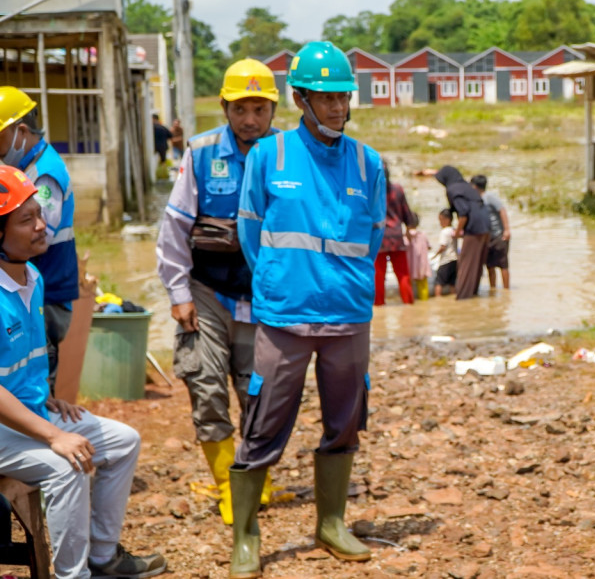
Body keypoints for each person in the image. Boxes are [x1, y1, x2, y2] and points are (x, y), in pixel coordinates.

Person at [234, 40, 386, 576]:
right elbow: (250, 234)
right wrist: (284, 282)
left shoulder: (369, 164)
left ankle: (330, 523)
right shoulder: (267, 157)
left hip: (347, 316)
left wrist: (337, 283)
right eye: (325, 98)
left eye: (344, 96)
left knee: (345, 422)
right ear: (300, 99)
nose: (338, 108)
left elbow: (370, 237)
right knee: (263, 423)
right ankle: (247, 536)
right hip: (283, 317)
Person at [0, 165, 166, 579]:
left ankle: (103, 556)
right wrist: (54, 435)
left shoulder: (33, 277)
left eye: (40, 213)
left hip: (28, 411)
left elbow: (24, 360)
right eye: (27, 220)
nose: (42, 226)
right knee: (67, 465)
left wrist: (43, 396)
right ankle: (73, 576)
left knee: (124, 441)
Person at [156, 58, 281, 525]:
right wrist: (177, 293)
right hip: (205, 291)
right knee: (206, 387)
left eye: (259, 109)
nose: (250, 120)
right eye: (241, 109)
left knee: (260, 392)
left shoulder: (288, 154)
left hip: (264, 296)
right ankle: (228, 486)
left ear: (273, 110)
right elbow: (174, 225)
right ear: (225, 108)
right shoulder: (202, 153)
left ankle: (258, 476)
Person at [0, 86, 79, 390]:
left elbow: (37, 236)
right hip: (28, 288)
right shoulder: (28, 167)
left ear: (21, 131)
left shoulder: (44, 174)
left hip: (48, 290)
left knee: (37, 375)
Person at [435, 166, 488, 299]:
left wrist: (458, 231)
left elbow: (463, 213)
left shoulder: (453, 189)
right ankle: (473, 293)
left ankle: (463, 297)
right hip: (486, 226)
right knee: (476, 264)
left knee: (465, 263)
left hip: (474, 228)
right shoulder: (466, 186)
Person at [374, 160, 416, 305]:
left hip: (379, 239)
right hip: (397, 237)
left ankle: (379, 305)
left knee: (378, 276)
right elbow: (407, 214)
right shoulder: (398, 189)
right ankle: (408, 304)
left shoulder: (371, 191)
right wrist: (410, 229)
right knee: (403, 274)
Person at [471, 174, 511, 290]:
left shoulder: (490, 197)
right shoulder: (476, 200)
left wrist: (507, 230)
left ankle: (506, 290)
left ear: (475, 186)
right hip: (487, 237)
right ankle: (492, 289)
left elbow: (502, 211)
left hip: (498, 235)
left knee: (503, 264)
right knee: (490, 265)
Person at [406, 213, 431, 301]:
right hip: (422, 265)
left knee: (409, 285)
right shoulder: (423, 235)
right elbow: (429, 247)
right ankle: (424, 302)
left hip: (411, 266)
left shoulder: (406, 236)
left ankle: (411, 302)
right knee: (423, 286)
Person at [433, 208, 458, 297]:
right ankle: (453, 298)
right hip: (455, 260)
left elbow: (443, 247)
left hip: (446, 261)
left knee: (438, 282)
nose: (440, 223)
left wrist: (435, 255)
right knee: (452, 283)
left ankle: (438, 298)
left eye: (441, 220)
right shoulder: (454, 230)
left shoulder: (444, 232)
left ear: (447, 220)